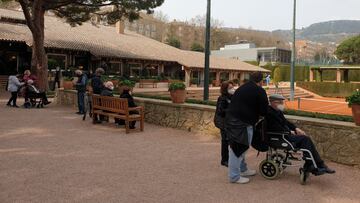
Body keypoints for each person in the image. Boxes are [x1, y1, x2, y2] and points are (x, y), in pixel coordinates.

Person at [266, 94, 335, 175]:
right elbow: (275, 127)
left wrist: (296, 128)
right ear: (274, 102)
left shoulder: (277, 111)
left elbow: (286, 123)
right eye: (280, 102)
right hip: (280, 137)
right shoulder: (269, 112)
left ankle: (316, 164)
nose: (282, 104)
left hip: (285, 135)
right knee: (305, 139)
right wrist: (289, 131)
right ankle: (314, 164)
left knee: (306, 140)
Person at [225, 72, 269, 184]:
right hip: (242, 123)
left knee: (239, 147)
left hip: (231, 120)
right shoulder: (260, 91)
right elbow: (264, 111)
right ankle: (234, 176)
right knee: (238, 149)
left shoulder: (242, 88)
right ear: (261, 81)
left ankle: (243, 169)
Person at [214, 81, 235, 167]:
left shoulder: (232, 97)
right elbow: (220, 111)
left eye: (232, 87)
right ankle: (224, 160)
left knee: (230, 141)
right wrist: (230, 110)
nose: (232, 89)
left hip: (229, 122)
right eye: (230, 88)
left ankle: (230, 158)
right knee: (225, 141)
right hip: (223, 123)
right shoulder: (222, 98)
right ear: (225, 89)